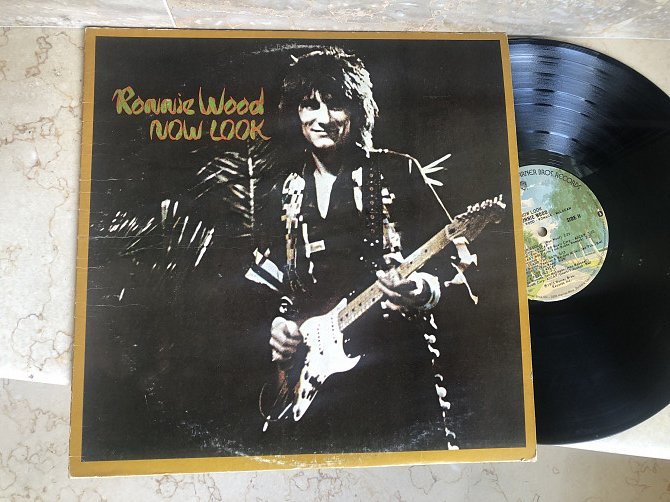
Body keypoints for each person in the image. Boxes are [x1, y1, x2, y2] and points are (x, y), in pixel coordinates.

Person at [246, 47, 455, 453]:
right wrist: (275, 326)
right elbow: (265, 285)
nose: (322, 118)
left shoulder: (397, 171)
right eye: (310, 105)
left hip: (392, 372)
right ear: (296, 114)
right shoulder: (281, 191)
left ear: (357, 111)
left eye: (335, 104)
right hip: (313, 380)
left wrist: (423, 289)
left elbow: (458, 261)